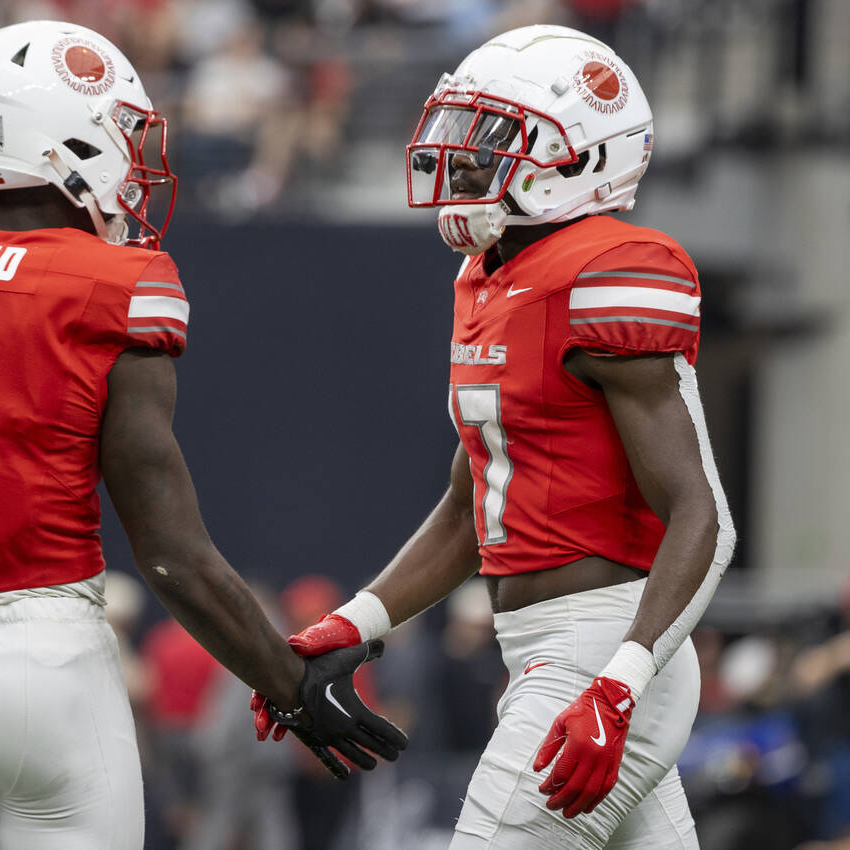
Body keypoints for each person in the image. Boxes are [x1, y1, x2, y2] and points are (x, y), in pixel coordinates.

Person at [0, 20, 405, 850]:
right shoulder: (113, 283)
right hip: (48, 669)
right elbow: (170, 553)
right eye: (121, 132)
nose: (134, 158)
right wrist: (291, 686)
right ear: (64, 142)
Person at [255, 24, 736, 850]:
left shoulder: (610, 269)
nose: (463, 159)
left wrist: (617, 685)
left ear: (581, 158)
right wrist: (357, 622)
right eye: (462, 132)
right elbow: (472, 497)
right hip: (551, 655)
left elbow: (705, 515)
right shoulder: (488, 275)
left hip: (607, 652)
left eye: (494, 138)